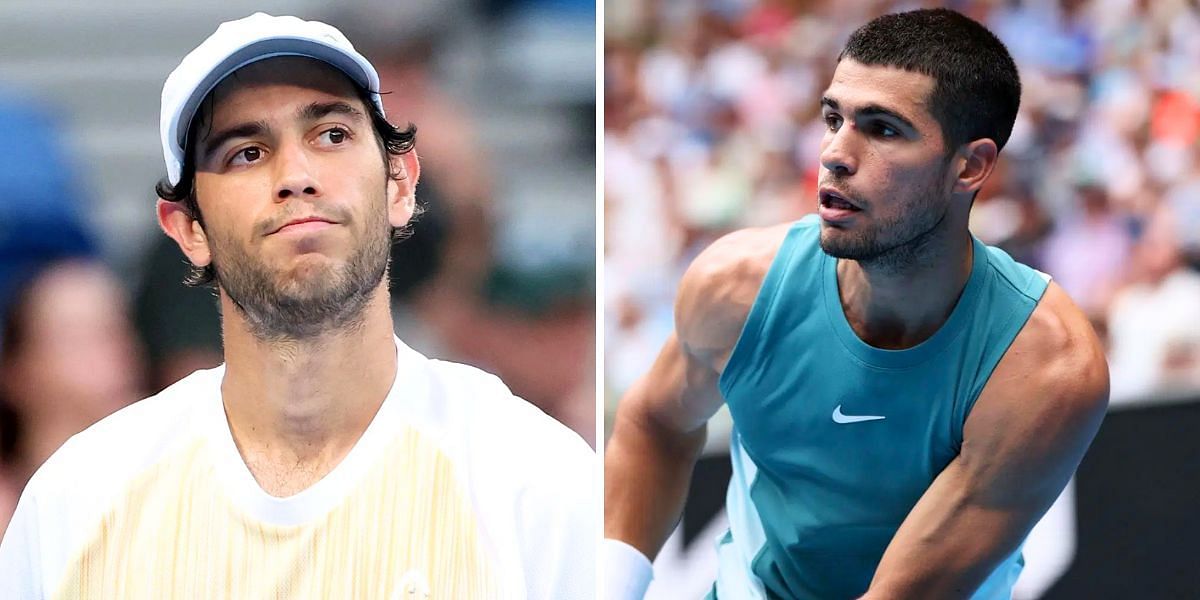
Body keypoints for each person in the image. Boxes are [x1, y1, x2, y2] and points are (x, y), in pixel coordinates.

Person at [0, 13, 594, 599]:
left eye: (332, 135)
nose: (297, 175)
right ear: (187, 229)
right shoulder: (74, 504)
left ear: (401, 184)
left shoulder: (537, 483)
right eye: (246, 153)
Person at [604, 9, 1108, 600]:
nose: (834, 154)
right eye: (833, 118)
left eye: (884, 129)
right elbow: (657, 423)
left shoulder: (1047, 369)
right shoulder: (733, 286)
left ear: (970, 166)